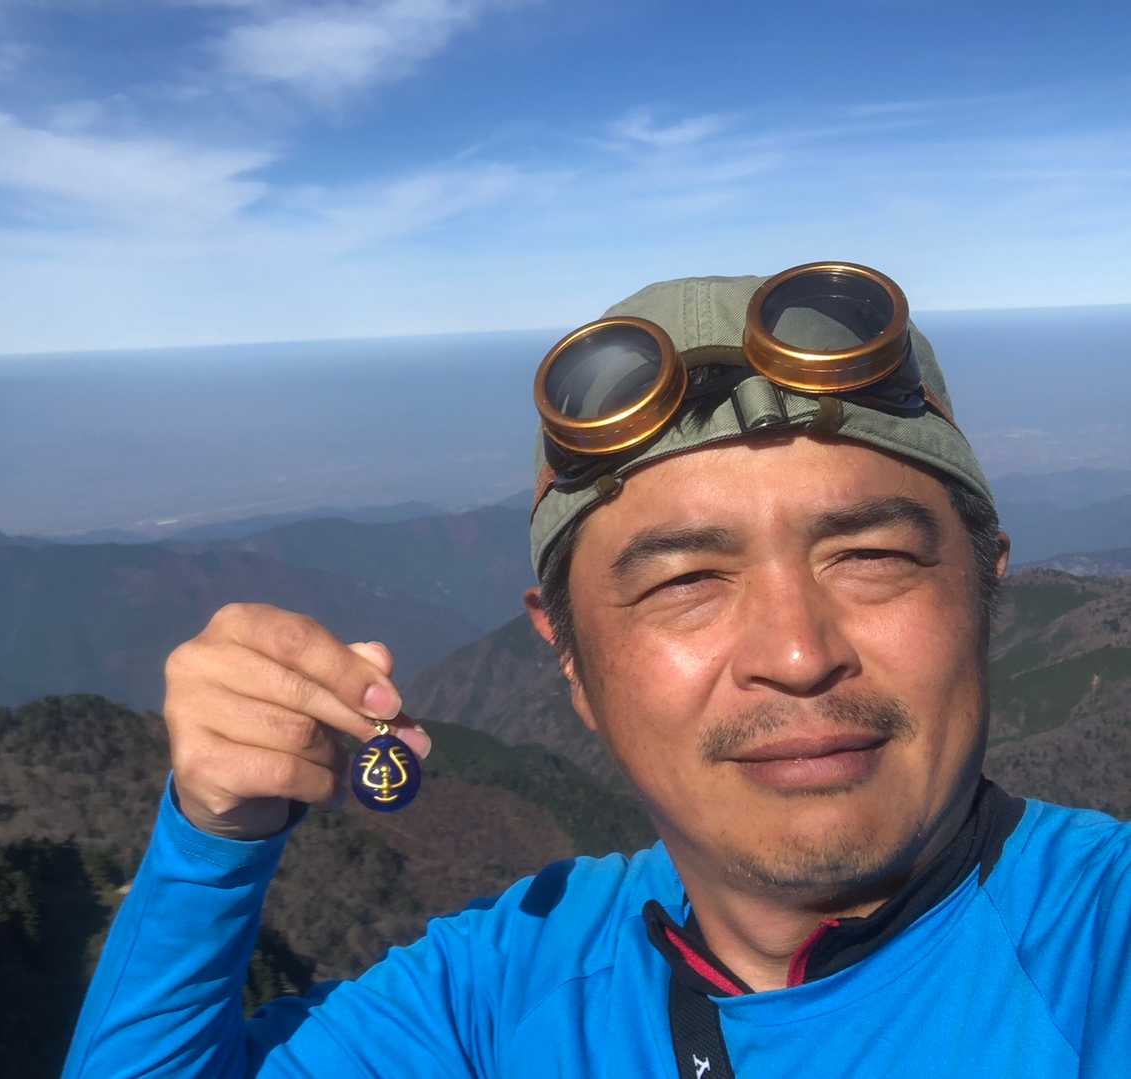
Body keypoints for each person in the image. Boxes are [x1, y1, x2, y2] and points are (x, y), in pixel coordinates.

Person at [61, 264, 1130, 1077]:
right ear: (568, 654)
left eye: (871, 556)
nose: (798, 654)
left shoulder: (1097, 942)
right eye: (686, 581)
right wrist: (214, 837)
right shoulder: (503, 986)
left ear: (987, 589)